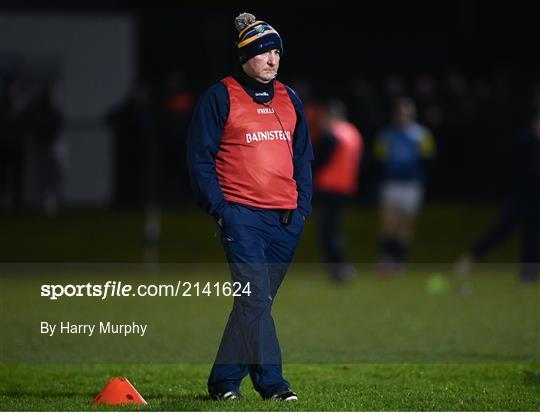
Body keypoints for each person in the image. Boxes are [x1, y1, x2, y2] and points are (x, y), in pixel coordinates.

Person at [187, 12, 313, 401]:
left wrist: (302, 206)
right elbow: (199, 159)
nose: (272, 59)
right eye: (263, 53)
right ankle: (274, 386)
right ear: (244, 57)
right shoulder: (220, 95)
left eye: (276, 51)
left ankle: (224, 383)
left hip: (286, 219)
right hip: (241, 217)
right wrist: (222, 208)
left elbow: (303, 157)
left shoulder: (290, 97)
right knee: (255, 299)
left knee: (254, 303)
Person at [455, 110, 540, 284]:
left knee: (532, 237)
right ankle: (471, 258)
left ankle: (527, 276)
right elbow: (513, 168)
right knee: (500, 231)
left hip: (536, 202)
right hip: (520, 198)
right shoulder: (523, 141)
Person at [374, 97, 436, 274]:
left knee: (405, 227)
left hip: (412, 185)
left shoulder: (422, 136)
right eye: (400, 113)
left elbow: (428, 161)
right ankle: (385, 259)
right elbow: (379, 159)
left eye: (406, 113)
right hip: (392, 184)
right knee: (388, 223)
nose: (403, 116)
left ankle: (399, 261)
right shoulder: (387, 135)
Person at [312, 99, 364, 283]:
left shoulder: (332, 135)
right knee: (336, 229)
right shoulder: (353, 132)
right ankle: (339, 267)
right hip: (346, 187)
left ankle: (336, 268)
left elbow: (318, 162)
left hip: (328, 188)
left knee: (328, 230)